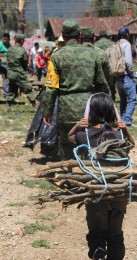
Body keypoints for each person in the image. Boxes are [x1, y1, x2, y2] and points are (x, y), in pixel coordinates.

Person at [68, 92, 135, 260]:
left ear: (91, 112)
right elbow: (131, 146)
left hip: (97, 192)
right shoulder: (118, 135)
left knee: (97, 232)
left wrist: (79, 125)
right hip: (119, 194)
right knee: (115, 233)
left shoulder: (85, 135)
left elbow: (70, 137)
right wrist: (126, 130)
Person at [42, 20, 110, 160]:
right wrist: (108, 106)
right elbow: (102, 84)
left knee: (68, 142)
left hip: (66, 108)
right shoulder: (92, 54)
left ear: (62, 36)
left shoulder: (57, 56)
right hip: (89, 108)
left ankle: (70, 171)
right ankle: (90, 171)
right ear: (79, 35)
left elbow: (50, 88)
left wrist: (47, 111)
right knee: (90, 140)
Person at [81, 27, 115, 100]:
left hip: (80, 94)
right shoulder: (101, 53)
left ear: (80, 38)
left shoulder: (74, 53)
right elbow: (108, 75)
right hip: (98, 94)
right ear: (94, 38)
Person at [114, 25, 137, 127]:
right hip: (125, 76)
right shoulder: (126, 44)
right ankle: (127, 120)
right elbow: (128, 62)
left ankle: (122, 119)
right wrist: (132, 74)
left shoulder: (116, 44)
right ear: (127, 34)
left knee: (123, 99)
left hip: (117, 77)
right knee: (132, 99)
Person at [6, 34, 37, 108]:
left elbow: (8, 60)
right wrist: (27, 70)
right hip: (19, 74)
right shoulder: (22, 50)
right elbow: (25, 63)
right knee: (28, 88)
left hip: (11, 73)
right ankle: (35, 106)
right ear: (22, 41)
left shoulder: (9, 49)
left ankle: (8, 107)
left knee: (12, 90)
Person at [0, 33, 12, 99]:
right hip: (0, 63)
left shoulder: (10, 45)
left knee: (7, 78)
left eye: (6, 39)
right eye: (4, 39)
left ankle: (6, 94)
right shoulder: (0, 44)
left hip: (6, 65)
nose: (5, 41)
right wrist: (1, 58)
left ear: (9, 39)